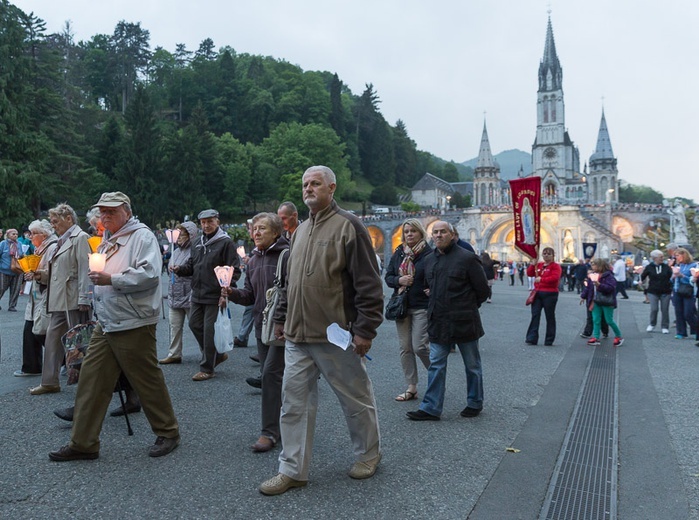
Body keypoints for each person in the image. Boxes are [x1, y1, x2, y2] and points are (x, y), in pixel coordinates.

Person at [258, 165, 383, 496]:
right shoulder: (297, 232)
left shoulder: (350, 227)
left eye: (315, 183)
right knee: (293, 404)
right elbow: (286, 284)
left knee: (355, 399)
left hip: (335, 335)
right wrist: (283, 318)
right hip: (298, 336)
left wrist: (365, 330)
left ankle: (369, 455)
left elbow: (369, 284)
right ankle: (292, 470)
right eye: (304, 184)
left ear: (332, 187)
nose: (308, 188)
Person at [48, 191, 180, 461]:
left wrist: (112, 279)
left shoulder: (141, 236)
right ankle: (83, 442)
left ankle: (168, 432)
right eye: (103, 211)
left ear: (127, 212)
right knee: (91, 379)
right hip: (108, 321)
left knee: (146, 379)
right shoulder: (107, 240)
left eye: (112, 211)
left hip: (134, 320)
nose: (105, 216)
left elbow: (150, 275)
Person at [406, 221, 489, 422]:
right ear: (431, 236)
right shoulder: (429, 260)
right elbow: (428, 285)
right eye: (435, 232)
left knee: (472, 365)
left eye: (443, 232)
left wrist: (466, 306)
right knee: (436, 364)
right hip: (439, 321)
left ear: (452, 234)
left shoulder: (468, 258)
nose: (439, 235)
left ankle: (474, 402)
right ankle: (431, 408)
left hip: (464, 320)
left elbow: (483, 291)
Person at [222, 213, 289, 452]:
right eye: (254, 229)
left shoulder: (286, 255)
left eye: (262, 229)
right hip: (263, 328)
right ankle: (286, 426)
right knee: (276, 378)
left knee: (271, 376)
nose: (256, 233)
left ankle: (269, 433)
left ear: (276, 232)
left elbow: (294, 292)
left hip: (284, 329)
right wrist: (232, 293)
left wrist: (283, 319)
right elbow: (250, 296)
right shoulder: (252, 261)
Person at [30, 205, 91, 395]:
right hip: (59, 299)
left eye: (56, 221)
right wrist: (40, 275)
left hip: (73, 299)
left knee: (80, 343)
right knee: (52, 339)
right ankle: (49, 381)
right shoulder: (62, 241)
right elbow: (58, 271)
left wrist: (84, 297)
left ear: (69, 219)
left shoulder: (80, 238)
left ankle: (87, 383)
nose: (53, 226)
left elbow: (85, 270)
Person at [173, 209, 240, 381]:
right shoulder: (196, 242)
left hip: (215, 294)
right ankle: (216, 355)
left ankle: (207, 368)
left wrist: (226, 291)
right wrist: (180, 269)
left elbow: (234, 269)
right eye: (203, 222)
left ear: (218, 221)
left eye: (210, 221)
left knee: (209, 331)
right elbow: (191, 265)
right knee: (195, 325)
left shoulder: (225, 243)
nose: (206, 225)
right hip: (197, 293)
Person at [384, 218, 432, 402]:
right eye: (406, 231)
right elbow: (389, 276)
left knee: (419, 346)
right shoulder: (399, 253)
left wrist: (431, 289)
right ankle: (411, 387)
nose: (409, 234)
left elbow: (435, 276)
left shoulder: (428, 255)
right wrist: (399, 281)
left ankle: (436, 377)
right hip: (401, 306)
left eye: (413, 231)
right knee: (405, 348)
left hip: (421, 306)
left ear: (420, 232)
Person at [13, 220, 57, 377]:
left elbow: (53, 272)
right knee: (32, 330)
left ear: (43, 235)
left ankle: (63, 361)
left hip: (43, 295)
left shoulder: (51, 247)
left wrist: (37, 274)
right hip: (37, 295)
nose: (30, 236)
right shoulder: (42, 247)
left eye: (33, 233)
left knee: (41, 331)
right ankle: (32, 366)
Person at [160, 221, 198, 364]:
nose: (180, 237)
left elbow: (194, 271)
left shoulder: (195, 251)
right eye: (179, 234)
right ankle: (174, 353)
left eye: (183, 234)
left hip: (189, 294)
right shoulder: (175, 251)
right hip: (175, 294)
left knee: (196, 326)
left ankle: (208, 353)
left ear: (190, 235)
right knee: (174, 326)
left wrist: (180, 269)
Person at [525, 247, 562, 346]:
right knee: (535, 315)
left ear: (553, 255)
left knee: (549, 316)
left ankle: (549, 339)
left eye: (548, 254)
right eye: (544, 253)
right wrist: (533, 264)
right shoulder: (539, 265)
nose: (546, 255)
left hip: (550, 293)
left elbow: (555, 278)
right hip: (537, 293)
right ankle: (532, 337)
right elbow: (529, 273)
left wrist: (542, 279)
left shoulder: (555, 266)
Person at [583, 258, 624, 347]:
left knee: (609, 320)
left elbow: (611, 288)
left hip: (606, 301)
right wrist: (583, 296)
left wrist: (600, 285)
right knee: (596, 319)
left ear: (600, 266)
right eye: (592, 265)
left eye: (594, 265)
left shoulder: (609, 276)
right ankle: (596, 337)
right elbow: (588, 287)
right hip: (595, 300)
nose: (593, 267)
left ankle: (619, 336)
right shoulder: (592, 275)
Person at [641, 249, 673, 334]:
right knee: (654, 309)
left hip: (665, 291)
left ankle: (665, 326)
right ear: (654, 258)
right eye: (660, 257)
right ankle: (652, 324)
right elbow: (643, 276)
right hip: (653, 291)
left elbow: (671, 276)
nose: (662, 258)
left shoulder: (666, 267)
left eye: (662, 257)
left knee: (665, 309)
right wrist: (641, 280)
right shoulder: (649, 267)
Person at [671, 248, 697, 340]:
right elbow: (671, 280)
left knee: (688, 313)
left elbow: (694, 279)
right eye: (675, 256)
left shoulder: (694, 265)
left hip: (688, 291)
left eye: (677, 255)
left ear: (684, 255)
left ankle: (696, 329)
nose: (676, 258)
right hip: (677, 290)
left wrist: (681, 275)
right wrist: (673, 276)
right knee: (679, 313)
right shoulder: (678, 265)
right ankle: (681, 332)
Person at [0, 228, 24, 312]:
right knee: (1, 288)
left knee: (16, 289)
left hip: (17, 271)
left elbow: (22, 255)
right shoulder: (3, 244)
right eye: (13, 234)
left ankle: (12, 306)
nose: (15, 235)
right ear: (8, 235)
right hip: (4, 270)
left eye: (16, 234)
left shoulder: (19, 244)